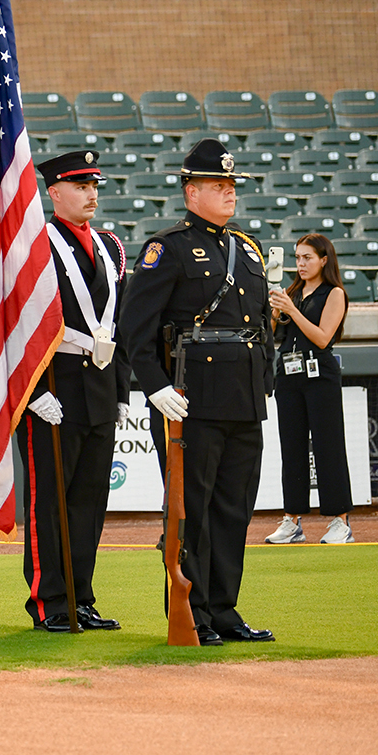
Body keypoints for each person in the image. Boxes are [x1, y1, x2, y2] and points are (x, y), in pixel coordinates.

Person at [117, 138, 276, 646]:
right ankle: (193, 613)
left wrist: (263, 384)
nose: (229, 194)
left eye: (232, 186)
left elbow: (259, 329)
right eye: (217, 186)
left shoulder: (247, 248)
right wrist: (155, 387)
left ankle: (224, 609)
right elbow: (135, 330)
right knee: (193, 512)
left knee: (234, 510)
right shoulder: (169, 248)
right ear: (190, 192)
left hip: (243, 400)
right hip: (191, 403)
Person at [17, 152, 130, 632]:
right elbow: (17, 323)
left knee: (89, 502)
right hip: (53, 389)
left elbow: (119, 323)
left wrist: (122, 391)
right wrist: (31, 390)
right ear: (53, 192)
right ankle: (49, 602)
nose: (91, 194)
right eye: (80, 186)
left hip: (99, 388)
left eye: (94, 185)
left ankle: (81, 597)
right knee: (51, 503)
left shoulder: (110, 246)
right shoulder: (33, 246)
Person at [266, 232, 354, 545]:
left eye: (308, 257)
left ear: (324, 260)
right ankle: (292, 520)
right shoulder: (292, 290)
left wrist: (291, 310)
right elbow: (271, 332)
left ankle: (339, 521)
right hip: (288, 377)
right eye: (298, 257)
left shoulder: (334, 294)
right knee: (292, 450)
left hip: (321, 377)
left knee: (328, 447)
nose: (301, 263)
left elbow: (322, 337)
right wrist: (275, 313)